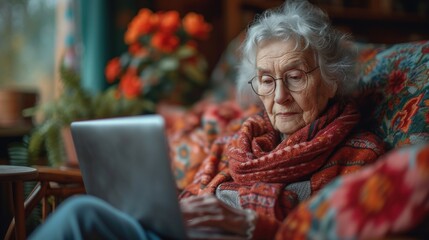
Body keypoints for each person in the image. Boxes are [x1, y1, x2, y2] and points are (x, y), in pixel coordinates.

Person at [29, 0, 385, 239]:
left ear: (330, 79)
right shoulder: (235, 142)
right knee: (83, 213)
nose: (279, 97)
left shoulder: (360, 154)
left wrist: (251, 225)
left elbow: (336, 231)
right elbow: (189, 202)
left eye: (295, 77)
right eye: (266, 80)